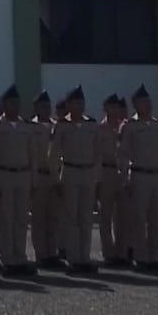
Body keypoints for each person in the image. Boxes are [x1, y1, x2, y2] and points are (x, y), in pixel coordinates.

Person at [118, 85, 158, 274]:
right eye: (143, 103)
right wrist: (125, 179)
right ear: (135, 105)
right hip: (139, 175)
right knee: (139, 219)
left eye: (148, 102)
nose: (147, 106)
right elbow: (123, 154)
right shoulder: (130, 127)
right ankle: (140, 257)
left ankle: (155, 255)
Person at [0, 86, 36, 276]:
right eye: (11, 103)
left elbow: (32, 156)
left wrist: (33, 181)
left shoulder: (26, 126)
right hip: (4, 174)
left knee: (21, 219)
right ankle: (7, 259)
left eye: (17, 102)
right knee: (6, 219)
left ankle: (20, 257)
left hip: (23, 174)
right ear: (4, 104)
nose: (14, 106)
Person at [50, 85, 99, 275]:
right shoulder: (62, 125)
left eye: (81, 103)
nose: (79, 106)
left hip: (88, 172)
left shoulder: (91, 124)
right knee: (71, 218)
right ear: (69, 105)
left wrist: (96, 176)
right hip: (70, 172)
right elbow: (54, 154)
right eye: (76, 103)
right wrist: (56, 179)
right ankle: (73, 258)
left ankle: (84, 257)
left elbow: (97, 152)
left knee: (86, 218)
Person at [28, 91, 62, 269]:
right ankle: (41, 254)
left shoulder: (57, 126)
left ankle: (52, 252)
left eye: (48, 106)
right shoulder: (30, 127)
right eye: (42, 106)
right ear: (36, 108)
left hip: (54, 177)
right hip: (39, 176)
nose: (46, 109)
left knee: (53, 217)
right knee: (39, 218)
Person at [97, 94, 129, 267]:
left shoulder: (126, 127)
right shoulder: (99, 129)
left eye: (117, 107)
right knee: (105, 216)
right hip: (106, 172)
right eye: (111, 107)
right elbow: (95, 155)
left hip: (123, 173)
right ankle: (109, 253)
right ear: (105, 108)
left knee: (123, 216)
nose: (115, 110)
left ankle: (122, 252)